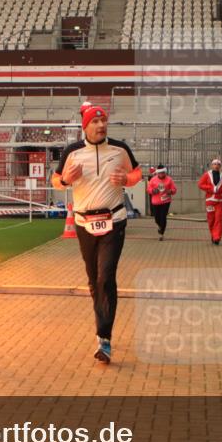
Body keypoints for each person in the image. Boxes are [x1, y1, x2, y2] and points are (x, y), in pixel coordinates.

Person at [51, 103, 142, 365]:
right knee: (94, 281)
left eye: (104, 121)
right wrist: (66, 180)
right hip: (84, 224)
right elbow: (55, 181)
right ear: (85, 126)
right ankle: (101, 323)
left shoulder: (120, 149)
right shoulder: (72, 151)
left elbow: (137, 173)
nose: (101, 126)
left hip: (114, 219)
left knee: (106, 276)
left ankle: (104, 338)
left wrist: (127, 179)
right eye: (95, 122)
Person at [197, 158, 222, 245]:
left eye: (218, 164)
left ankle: (217, 238)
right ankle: (213, 234)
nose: (216, 166)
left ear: (220, 166)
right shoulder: (206, 175)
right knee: (211, 219)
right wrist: (211, 188)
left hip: (219, 201)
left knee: (218, 219)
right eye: (215, 164)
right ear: (212, 165)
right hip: (210, 201)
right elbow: (200, 184)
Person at [147, 166, 177, 240]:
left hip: (165, 201)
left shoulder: (169, 179)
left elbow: (174, 189)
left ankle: (161, 233)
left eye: (163, 173)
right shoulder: (153, 180)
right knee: (157, 218)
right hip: (155, 202)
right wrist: (153, 191)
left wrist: (170, 191)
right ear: (157, 173)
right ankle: (160, 226)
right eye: (160, 173)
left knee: (163, 217)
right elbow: (148, 189)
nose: (161, 174)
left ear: (165, 172)